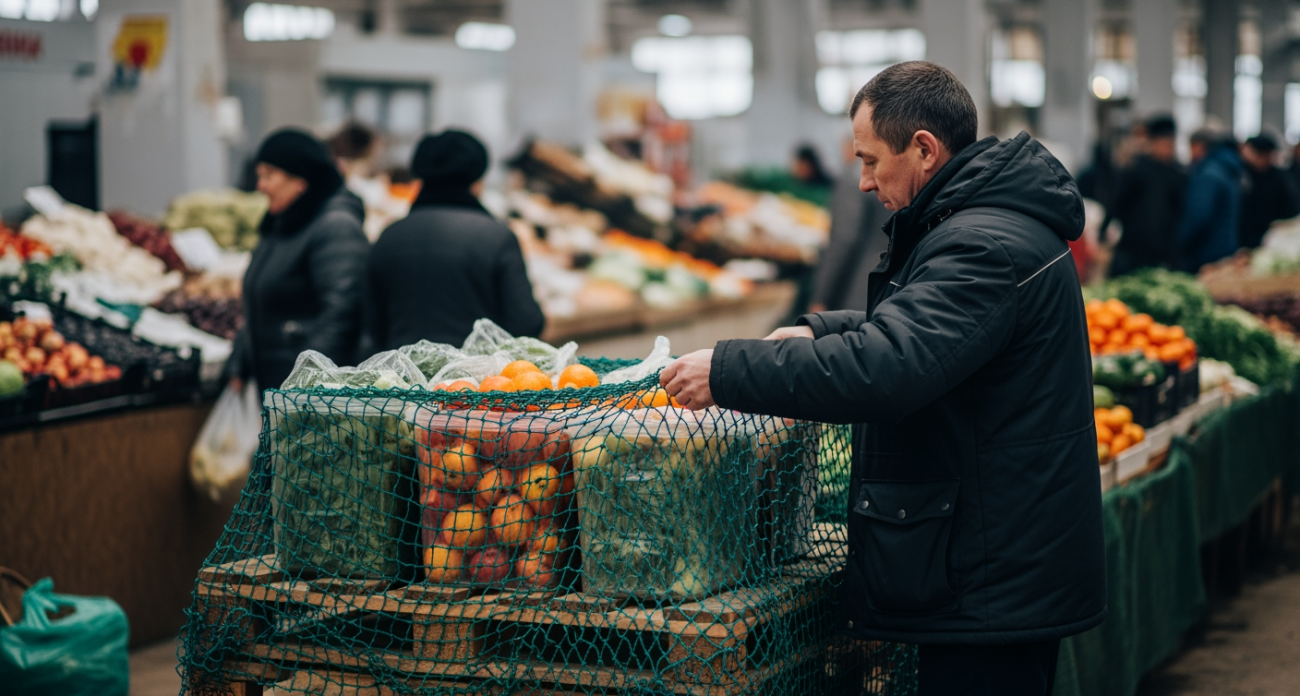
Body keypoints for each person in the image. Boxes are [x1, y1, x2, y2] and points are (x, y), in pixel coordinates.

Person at [660, 61, 1105, 696]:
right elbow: (925, 327)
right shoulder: (981, 224)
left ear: (923, 149)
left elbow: (888, 367)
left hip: (991, 577)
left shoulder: (982, 244)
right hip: (993, 555)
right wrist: (822, 330)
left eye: (871, 161)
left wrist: (728, 369)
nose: (864, 183)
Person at [367, 129, 544, 350]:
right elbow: (526, 322)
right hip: (474, 378)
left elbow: (371, 324)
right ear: (477, 181)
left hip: (400, 377)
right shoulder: (496, 237)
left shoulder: (388, 236)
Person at [227, 128, 369, 392]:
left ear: (300, 180)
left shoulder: (336, 227)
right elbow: (261, 303)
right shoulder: (279, 225)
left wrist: (304, 384)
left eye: (269, 175)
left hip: (312, 399)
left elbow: (342, 312)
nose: (260, 186)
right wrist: (241, 359)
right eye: (259, 175)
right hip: (278, 386)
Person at [809, 139, 891, 312]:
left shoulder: (855, 179)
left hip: (855, 287)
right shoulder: (891, 175)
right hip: (887, 285)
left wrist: (821, 297)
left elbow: (843, 239)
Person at [1101, 114, 1186, 275]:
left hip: (1165, 252)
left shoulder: (1178, 174)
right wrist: (1104, 231)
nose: (1168, 149)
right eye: (1164, 144)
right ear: (1152, 143)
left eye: (1171, 144)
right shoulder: (1137, 169)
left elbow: (1180, 210)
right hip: (1134, 250)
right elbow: (1118, 202)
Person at [1177, 129, 1243, 273]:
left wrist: (1178, 242)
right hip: (1224, 247)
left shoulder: (1209, 175)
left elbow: (1198, 215)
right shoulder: (1225, 168)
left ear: (1199, 146)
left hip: (1207, 252)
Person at [1238, 133, 1300, 249]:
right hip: (1245, 238)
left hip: (1272, 238)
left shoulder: (1279, 178)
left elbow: (1291, 207)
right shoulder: (1243, 174)